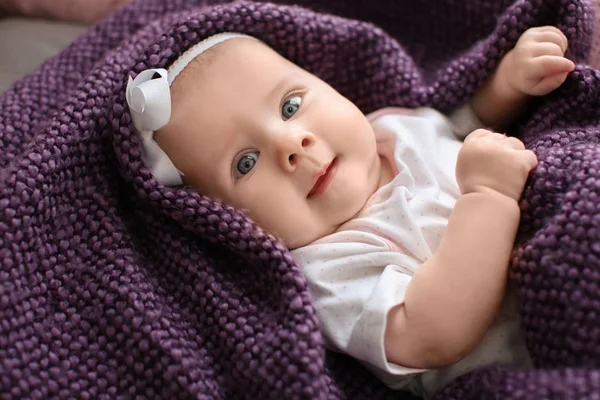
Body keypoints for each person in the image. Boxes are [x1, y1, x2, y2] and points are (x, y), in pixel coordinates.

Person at [125, 27, 574, 397]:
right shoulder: (325, 272)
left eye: (290, 106)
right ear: (226, 224)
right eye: (245, 162)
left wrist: (508, 85)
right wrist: (488, 197)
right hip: (535, 358)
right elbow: (432, 333)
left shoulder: (392, 128)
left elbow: (465, 123)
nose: (290, 144)